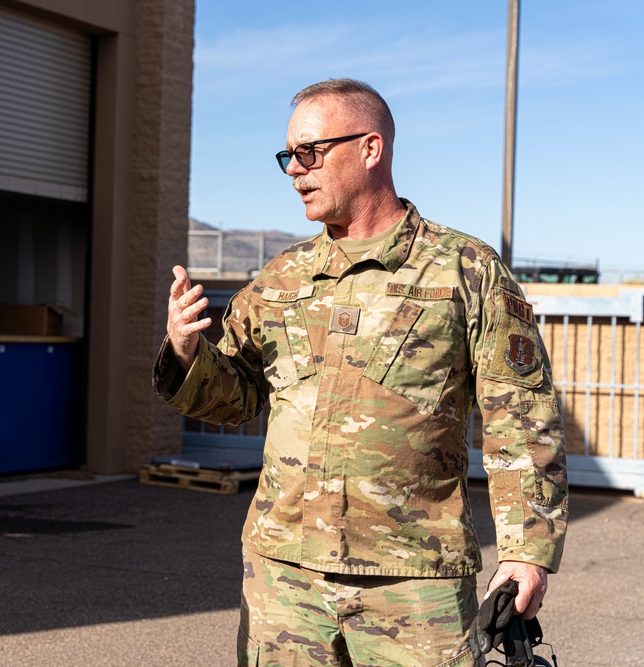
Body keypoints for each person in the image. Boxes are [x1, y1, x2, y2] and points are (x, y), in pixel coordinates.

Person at [154, 79, 568, 666]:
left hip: (413, 582)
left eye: (310, 152)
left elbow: (522, 417)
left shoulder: (465, 270)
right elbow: (237, 399)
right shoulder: (281, 278)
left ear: (371, 149)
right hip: (285, 578)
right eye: (288, 156)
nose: (295, 171)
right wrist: (188, 353)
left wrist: (526, 550)